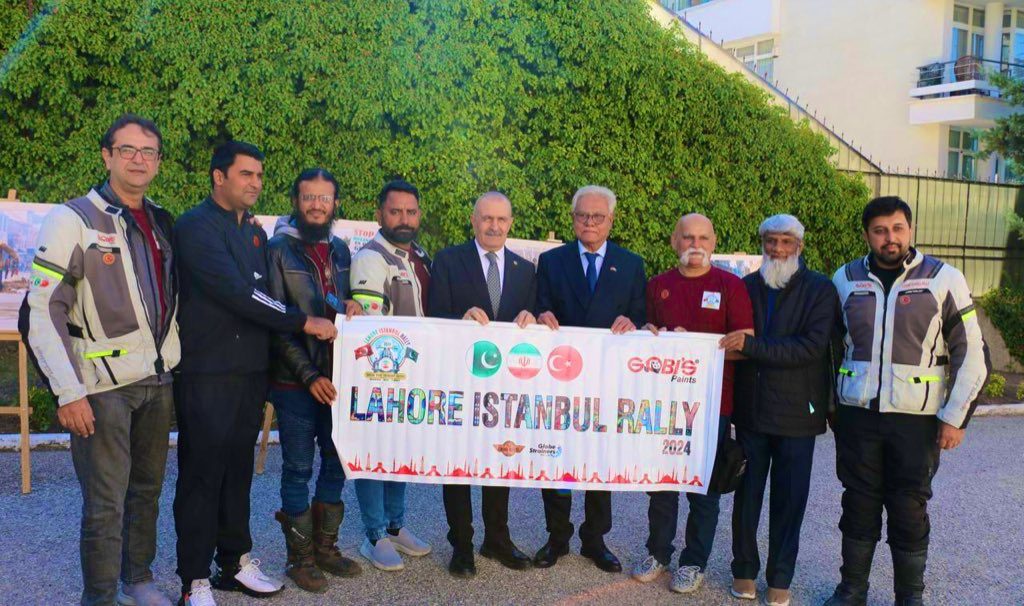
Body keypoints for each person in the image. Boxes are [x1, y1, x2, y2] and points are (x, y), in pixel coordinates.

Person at [172, 142, 337, 606]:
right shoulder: (194, 227)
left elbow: (265, 295)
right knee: (202, 475)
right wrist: (303, 321)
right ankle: (193, 580)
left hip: (249, 375)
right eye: (246, 174)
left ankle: (234, 563)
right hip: (207, 373)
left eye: (260, 175)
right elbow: (241, 295)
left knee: (239, 473)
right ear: (217, 177)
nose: (256, 183)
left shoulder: (257, 235)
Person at [25, 114, 179, 606]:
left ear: (157, 162)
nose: (138, 159)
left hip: (157, 381)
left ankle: (137, 580)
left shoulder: (159, 219)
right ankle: (99, 597)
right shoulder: (73, 218)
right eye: (127, 150)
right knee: (105, 503)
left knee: (147, 491)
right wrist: (68, 393)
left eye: (148, 152)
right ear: (106, 155)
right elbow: (43, 309)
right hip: (102, 387)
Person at [824, 197, 988, 606]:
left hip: (917, 420)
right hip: (858, 416)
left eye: (897, 228)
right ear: (866, 235)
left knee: (908, 508)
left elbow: (972, 352)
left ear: (910, 230)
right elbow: (825, 348)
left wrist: (955, 418)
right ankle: (852, 591)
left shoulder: (943, 278)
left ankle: (909, 597)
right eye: (880, 230)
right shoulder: (844, 279)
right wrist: (829, 407)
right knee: (858, 504)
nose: (889, 238)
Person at [632, 213, 753, 594]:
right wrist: (653, 337)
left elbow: (746, 342)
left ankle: (693, 561)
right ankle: (658, 551)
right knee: (662, 482)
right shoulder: (657, 285)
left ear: (714, 242)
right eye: (687, 237)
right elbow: (645, 334)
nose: (694, 245)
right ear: (674, 242)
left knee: (704, 487)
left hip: (713, 404)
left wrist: (695, 347)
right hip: (664, 404)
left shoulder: (731, 286)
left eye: (702, 238)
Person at [721, 214, 839, 606]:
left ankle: (780, 578)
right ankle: (743, 571)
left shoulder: (820, 290)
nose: (777, 249)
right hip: (752, 412)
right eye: (771, 241)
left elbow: (810, 347)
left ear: (799, 247)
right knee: (746, 497)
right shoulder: (746, 286)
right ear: (762, 244)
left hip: (797, 417)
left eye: (786, 242)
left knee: (790, 502)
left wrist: (753, 347)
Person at [533, 185, 647, 573]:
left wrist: (633, 322)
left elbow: (641, 315)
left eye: (597, 216)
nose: (589, 222)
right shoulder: (551, 261)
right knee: (557, 457)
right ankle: (557, 536)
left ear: (611, 220)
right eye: (582, 215)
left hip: (607, 383)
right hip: (561, 379)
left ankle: (595, 539)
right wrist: (541, 315)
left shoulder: (632, 264)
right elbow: (538, 307)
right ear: (573, 218)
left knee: (601, 460)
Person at [427, 191, 537, 578]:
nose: (494, 226)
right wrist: (458, 317)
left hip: (505, 387)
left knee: (498, 460)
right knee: (457, 464)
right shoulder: (448, 261)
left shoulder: (526, 270)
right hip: (458, 382)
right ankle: (461, 544)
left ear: (510, 223)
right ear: (473, 221)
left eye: (501, 219)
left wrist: (533, 315)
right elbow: (434, 315)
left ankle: (497, 539)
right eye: (486, 218)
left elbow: (534, 323)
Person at [265, 168, 364, 592]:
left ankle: (326, 547)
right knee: (297, 468)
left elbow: (338, 307)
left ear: (335, 203)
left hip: (339, 379)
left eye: (325, 198)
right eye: (309, 197)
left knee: (336, 463)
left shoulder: (341, 250)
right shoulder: (278, 250)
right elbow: (274, 322)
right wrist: (308, 376)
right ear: (296, 200)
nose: (317, 205)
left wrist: (352, 304)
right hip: (295, 383)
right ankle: (299, 558)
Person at [348, 179, 433, 570]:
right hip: (381, 377)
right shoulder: (371, 257)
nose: (403, 218)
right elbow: (371, 328)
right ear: (380, 213)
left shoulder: (418, 256)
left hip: (415, 376)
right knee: (374, 453)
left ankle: (396, 526)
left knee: (401, 451)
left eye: (410, 211)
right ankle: (374, 534)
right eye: (395, 211)